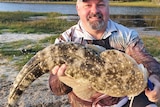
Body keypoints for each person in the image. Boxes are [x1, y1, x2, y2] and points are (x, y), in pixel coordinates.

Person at [49, 0, 160, 107]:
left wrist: (155, 77)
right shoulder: (65, 41)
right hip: (84, 103)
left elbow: (146, 61)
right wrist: (62, 79)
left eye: (100, 4)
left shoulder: (126, 36)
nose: (94, 11)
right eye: (87, 5)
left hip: (126, 98)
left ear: (108, 7)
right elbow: (55, 88)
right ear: (78, 9)